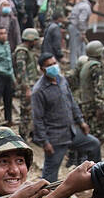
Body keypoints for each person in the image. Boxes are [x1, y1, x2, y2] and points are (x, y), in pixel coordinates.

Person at [31, 52, 100, 180]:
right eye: (49, 65)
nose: (54, 67)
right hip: (55, 139)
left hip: (71, 132)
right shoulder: (39, 91)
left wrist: (81, 122)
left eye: (54, 63)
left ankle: (96, 178)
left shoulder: (61, 80)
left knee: (94, 144)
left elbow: (72, 103)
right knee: (49, 175)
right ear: (42, 69)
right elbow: (37, 119)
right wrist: (45, 142)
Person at [78, 41, 104, 141]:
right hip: (93, 106)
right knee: (99, 134)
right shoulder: (96, 67)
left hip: (86, 104)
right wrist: (101, 108)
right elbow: (99, 88)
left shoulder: (86, 65)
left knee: (89, 132)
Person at [69, 0, 93, 65]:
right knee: (75, 50)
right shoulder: (86, 7)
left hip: (74, 27)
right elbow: (81, 20)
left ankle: (82, 66)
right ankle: (74, 68)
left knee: (82, 49)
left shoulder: (80, 4)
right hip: (76, 28)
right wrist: (82, 32)